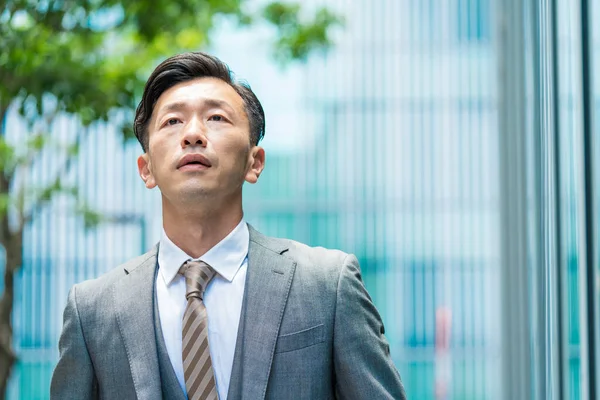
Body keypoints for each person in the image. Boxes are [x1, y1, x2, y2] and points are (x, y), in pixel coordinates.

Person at [50, 52, 406, 400]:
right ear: (147, 169)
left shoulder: (328, 284)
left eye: (216, 118)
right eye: (172, 121)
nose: (193, 134)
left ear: (255, 162)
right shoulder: (92, 309)